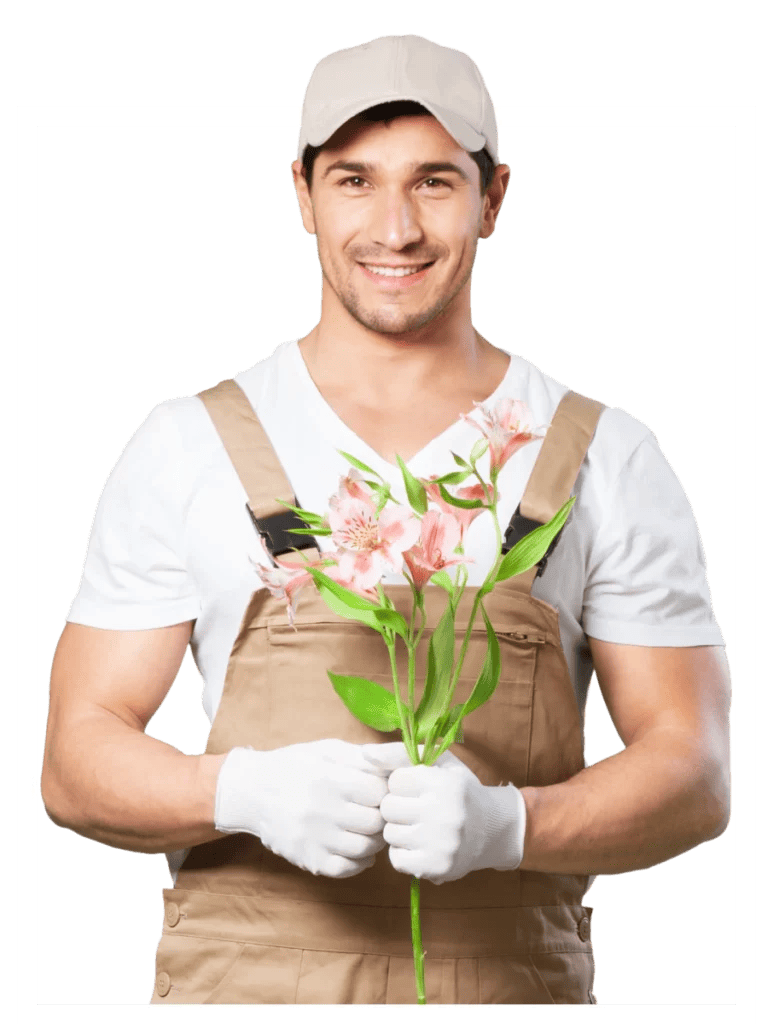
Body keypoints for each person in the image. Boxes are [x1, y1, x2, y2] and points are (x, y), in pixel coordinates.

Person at [39, 33, 732, 1005]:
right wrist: (241, 793)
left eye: (434, 182)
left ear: (491, 199)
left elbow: (695, 773)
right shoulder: (185, 443)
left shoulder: (602, 455)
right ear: (303, 194)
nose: (394, 227)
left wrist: (508, 825)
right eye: (355, 179)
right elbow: (74, 756)